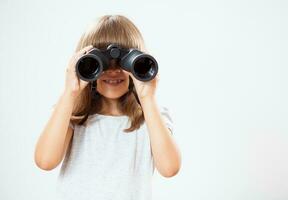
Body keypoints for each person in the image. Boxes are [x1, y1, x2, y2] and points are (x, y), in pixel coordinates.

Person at [34, 15, 181, 200]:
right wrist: (69, 93)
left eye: (124, 61)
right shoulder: (71, 113)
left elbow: (169, 168)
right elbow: (45, 161)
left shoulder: (152, 116)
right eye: (101, 61)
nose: (113, 70)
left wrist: (147, 99)